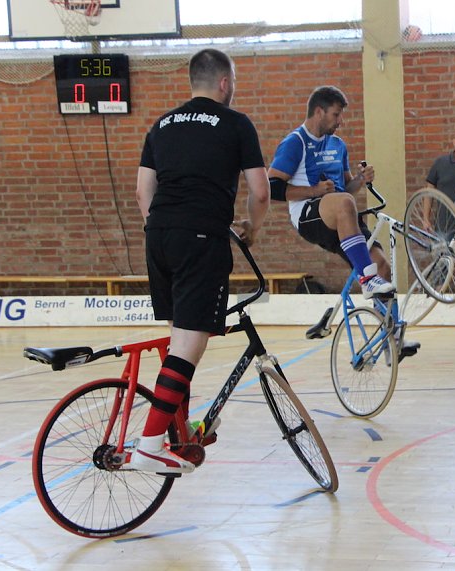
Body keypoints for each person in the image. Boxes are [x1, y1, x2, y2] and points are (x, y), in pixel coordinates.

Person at [125, 48, 270, 475]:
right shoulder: (236, 123)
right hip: (200, 237)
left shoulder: (162, 124)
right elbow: (260, 193)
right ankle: (150, 445)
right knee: (190, 345)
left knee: (177, 340)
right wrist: (253, 229)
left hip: (159, 236)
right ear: (224, 83)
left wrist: (163, 228)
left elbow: (141, 192)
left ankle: (180, 430)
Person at [266, 85, 418, 356]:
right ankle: (367, 279)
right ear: (319, 111)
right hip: (309, 216)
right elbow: (272, 187)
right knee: (346, 208)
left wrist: (361, 180)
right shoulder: (295, 142)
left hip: (340, 211)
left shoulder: (338, 145)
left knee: (381, 265)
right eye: (336, 115)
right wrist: (313, 191)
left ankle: (391, 341)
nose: (340, 122)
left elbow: (346, 189)